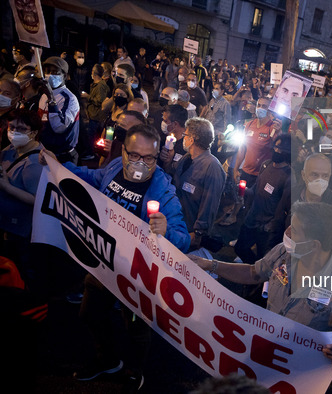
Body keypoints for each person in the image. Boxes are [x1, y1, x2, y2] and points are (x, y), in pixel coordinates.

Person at [40, 124, 190, 390]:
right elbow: (91, 177)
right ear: (123, 152)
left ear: (157, 158)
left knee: (136, 327)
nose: (140, 163)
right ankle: (107, 360)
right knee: (89, 314)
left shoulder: (163, 192)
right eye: (134, 155)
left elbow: (183, 238)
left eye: (149, 158)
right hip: (103, 262)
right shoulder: (112, 170)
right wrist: (58, 166)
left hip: (138, 275)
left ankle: (134, 370)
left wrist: (167, 231)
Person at [189, 201, 332, 368]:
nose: (288, 231)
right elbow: (254, 273)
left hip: (298, 371)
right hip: (262, 353)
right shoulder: (284, 253)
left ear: (314, 245)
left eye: (296, 230)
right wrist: (210, 264)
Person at [161, 117, 226, 251]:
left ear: (193, 138)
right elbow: (172, 174)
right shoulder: (187, 158)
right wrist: (168, 160)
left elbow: (210, 204)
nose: (183, 138)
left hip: (189, 232)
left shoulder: (212, 167)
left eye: (185, 135)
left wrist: (198, 234)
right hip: (175, 221)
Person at [234, 134, 291, 266]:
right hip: (252, 218)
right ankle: (252, 270)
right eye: (276, 147)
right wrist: (243, 190)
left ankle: (255, 283)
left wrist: (272, 226)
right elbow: (255, 189)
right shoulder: (266, 165)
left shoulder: (288, 176)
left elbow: (284, 207)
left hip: (266, 227)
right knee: (240, 248)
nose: (277, 151)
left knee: (263, 260)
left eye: (281, 149)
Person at [0, 110, 44, 279]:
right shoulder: (13, 148)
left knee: (18, 268)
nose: (14, 132)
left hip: (20, 229)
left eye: (21, 129)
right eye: (11, 127)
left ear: (33, 132)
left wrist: (5, 186)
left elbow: (36, 199)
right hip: (7, 223)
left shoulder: (34, 163)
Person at [294, 153, 332, 261]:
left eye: (325, 176)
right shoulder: (292, 194)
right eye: (314, 175)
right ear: (303, 175)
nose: (320, 180)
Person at [38, 57, 80, 164]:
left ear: (64, 76)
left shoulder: (69, 98)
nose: (50, 75)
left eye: (54, 72)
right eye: (47, 72)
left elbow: (59, 127)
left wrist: (51, 99)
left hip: (63, 157)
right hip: (45, 154)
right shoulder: (43, 96)